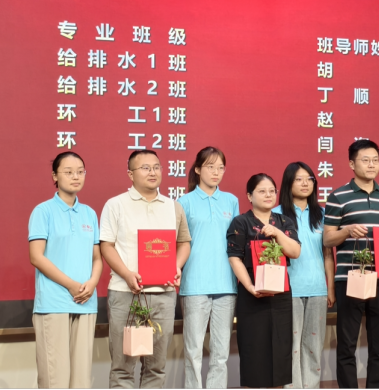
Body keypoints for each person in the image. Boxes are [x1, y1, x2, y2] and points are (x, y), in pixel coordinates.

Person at [100, 150, 192, 389]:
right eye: (145, 168)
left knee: (156, 367)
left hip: (164, 295)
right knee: (123, 368)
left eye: (156, 167)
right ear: (130, 174)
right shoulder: (116, 204)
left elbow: (184, 242)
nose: (153, 172)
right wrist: (126, 274)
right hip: (126, 293)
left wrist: (176, 266)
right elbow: (107, 246)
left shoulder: (173, 206)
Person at [323, 139, 379, 389]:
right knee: (347, 344)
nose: (372, 165)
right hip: (350, 279)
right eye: (365, 160)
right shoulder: (338, 196)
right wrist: (346, 231)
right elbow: (327, 239)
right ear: (351, 164)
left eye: (375, 160)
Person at [28, 152, 103, 389]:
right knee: (55, 379)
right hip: (54, 303)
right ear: (55, 176)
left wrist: (92, 283)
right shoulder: (43, 211)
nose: (75, 177)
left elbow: (97, 258)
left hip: (86, 302)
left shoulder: (89, 213)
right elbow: (36, 257)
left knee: (81, 380)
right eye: (68, 172)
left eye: (80, 172)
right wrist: (71, 285)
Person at [227, 173, 301, 388]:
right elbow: (234, 257)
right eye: (262, 191)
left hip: (280, 295)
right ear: (250, 196)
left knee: (280, 350)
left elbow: (295, 252)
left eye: (271, 191)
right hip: (252, 295)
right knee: (254, 352)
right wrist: (250, 287)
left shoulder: (284, 221)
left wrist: (277, 233)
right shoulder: (241, 222)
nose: (268, 195)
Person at [178, 147, 239, 389]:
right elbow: (178, 243)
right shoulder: (183, 202)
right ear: (197, 169)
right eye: (210, 166)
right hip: (194, 284)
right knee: (193, 351)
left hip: (226, 284)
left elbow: (236, 242)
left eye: (220, 167)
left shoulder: (231, 201)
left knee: (220, 353)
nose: (216, 172)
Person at [274, 162, 335, 389]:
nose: (305, 183)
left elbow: (328, 255)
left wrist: (330, 288)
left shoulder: (322, 214)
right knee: (291, 347)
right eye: (298, 179)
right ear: (288, 183)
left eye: (309, 179)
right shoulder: (276, 214)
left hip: (317, 289)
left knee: (313, 346)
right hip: (287, 289)